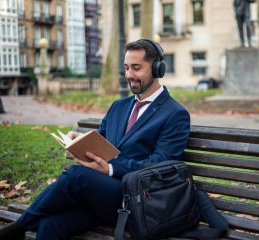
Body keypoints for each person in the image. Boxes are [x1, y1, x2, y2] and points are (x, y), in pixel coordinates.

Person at [0, 39, 191, 240]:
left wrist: (110, 168)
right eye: (126, 68)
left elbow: (159, 166)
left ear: (157, 68)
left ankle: (19, 228)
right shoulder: (119, 106)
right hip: (101, 196)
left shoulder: (175, 114)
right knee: (51, 225)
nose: (129, 75)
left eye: (136, 68)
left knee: (76, 176)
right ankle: (24, 226)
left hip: (137, 199)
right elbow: (101, 140)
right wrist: (80, 141)